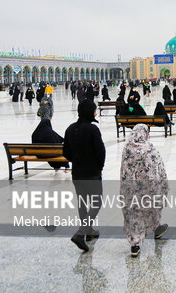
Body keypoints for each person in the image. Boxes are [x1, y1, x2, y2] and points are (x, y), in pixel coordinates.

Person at [63, 99, 106, 252]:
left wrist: (76, 160)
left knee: (82, 202)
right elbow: (101, 152)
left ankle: (88, 231)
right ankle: (81, 233)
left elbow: (65, 153)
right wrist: (99, 167)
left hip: (77, 173)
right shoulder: (92, 129)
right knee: (96, 202)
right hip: (92, 172)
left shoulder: (70, 129)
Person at [120, 124, 169, 257]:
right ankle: (156, 228)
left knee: (134, 215)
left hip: (130, 190)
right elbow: (157, 169)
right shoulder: (148, 149)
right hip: (147, 190)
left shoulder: (127, 149)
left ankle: (135, 245)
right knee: (151, 210)